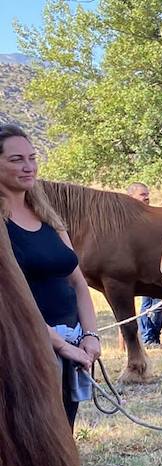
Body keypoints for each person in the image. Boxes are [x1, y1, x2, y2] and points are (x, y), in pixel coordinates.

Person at [1, 124, 100, 427]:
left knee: (63, 434)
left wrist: (91, 336)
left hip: (69, 349)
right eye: (16, 160)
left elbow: (78, 282)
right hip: (21, 350)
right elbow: (9, 302)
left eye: (32, 157)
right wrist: (57, 344)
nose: (28, 166)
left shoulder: (49, 217)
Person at [125, 181, 162, 346]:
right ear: (131, 196)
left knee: (157, 304)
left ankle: (153, 337)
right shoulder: (126, 220)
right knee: (149, 305)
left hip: (155, 266)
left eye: (147, 194)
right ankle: (149, 338)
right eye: (143, 194)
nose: (147, 197)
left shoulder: (150, 216)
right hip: (140, 269)